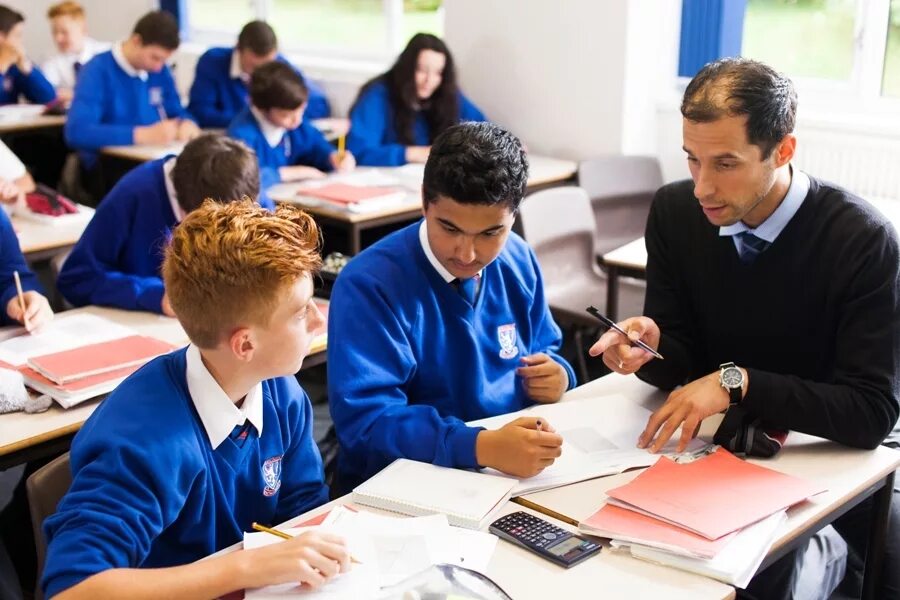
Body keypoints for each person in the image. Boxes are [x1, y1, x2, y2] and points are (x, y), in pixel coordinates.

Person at [590, 57, 900, 600]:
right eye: (692, 160)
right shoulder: (674, 213)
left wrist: (738, 381)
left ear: (783, 150)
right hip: (714, 461)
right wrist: (654, 346)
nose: (702, 187)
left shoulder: (862, 240)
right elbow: (684, 367)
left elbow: (871, 413)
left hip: (830, 461)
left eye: (725, 164)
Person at [42, 200, 349, 599]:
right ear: (244, 344)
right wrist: (243, 567)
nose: (317, 319)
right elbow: (72, 590)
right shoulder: (145, 442)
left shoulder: (279, 390)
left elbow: (302, 510)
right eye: (299, 312)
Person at [328, 122, 574, 493]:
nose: (467, 253)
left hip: (504, 474)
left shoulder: (518, 259)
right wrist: (478, 446)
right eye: (450, 228)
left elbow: (545, 348)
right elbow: (368, 423)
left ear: (513, 216)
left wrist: (560, 376)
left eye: (491, 233)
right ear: (425, 199)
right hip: (400, 487)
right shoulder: (370, 284)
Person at [57, 134, 272, 315]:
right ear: (190, 213)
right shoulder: (135, 194)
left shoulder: (240, 187)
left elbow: (274, 258)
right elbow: (77, 279)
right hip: (154, 330)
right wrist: (155, 296)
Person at [64, 10, 200, 174]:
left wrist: (186, 123)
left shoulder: (159, 70)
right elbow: (77, 132)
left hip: (152, 161)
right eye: (155, 57)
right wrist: (142, 135)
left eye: (164, 60)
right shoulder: (97, 70)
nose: (159, 66)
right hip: (110, 167)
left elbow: (176, 111)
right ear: (136, 41)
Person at [346, 33, 486, 167]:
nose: (429, 80)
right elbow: (359, 152)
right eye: (422, 70)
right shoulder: (378, 94)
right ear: (407, 68)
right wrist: (412, 154)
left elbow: (483, 132)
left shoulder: (447, 93)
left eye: (438, 73)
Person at [227, 61, 353, 190]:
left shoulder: (296, 124)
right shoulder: (242, 134)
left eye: (302, 111)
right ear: (262, 109)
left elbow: (315, 144)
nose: (297, 120)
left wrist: (332, 156)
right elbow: (241, 178)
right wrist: (288, 173)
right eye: (286, 116)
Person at [188, 20, 330, 128]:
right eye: (254, 66)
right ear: (239, 49)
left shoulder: (279, 65)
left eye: (267, 65)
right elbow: (200, 111)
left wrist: (283, 115)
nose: (262, 73)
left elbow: (317, 104)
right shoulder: (213, 61)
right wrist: (258, 119)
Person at [41, 1, 109, 105]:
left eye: (64, 32)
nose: (58, 38)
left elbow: (110, 91)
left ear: (83, 29)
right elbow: (48, 93)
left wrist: (74, 94)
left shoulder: (105, 52)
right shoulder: (51, 59)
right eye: (54, 32)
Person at [0, 5, 56, 105]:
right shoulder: (6, 63)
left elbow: (49, 98)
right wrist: (2, 68)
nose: (20, 42)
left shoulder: (14, 65)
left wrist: (28, 70)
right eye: (17, 35)